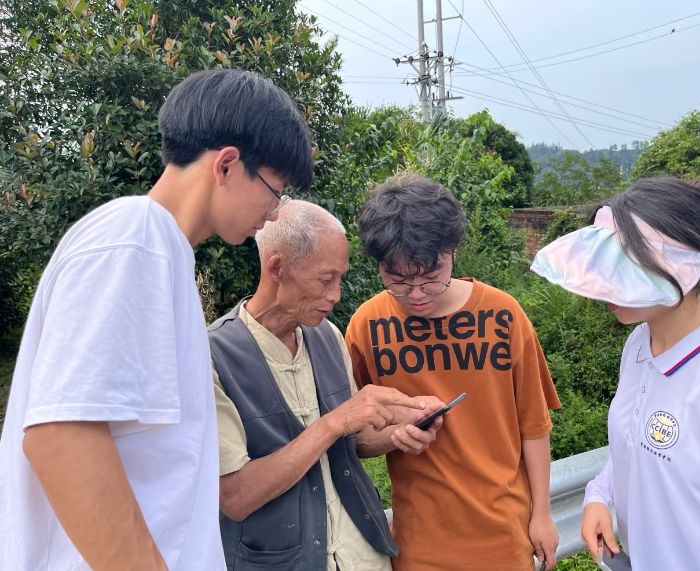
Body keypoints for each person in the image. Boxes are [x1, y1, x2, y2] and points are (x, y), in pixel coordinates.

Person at [0, 68, 314, 570]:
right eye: (275, 192)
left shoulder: (158, 249)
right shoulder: (134, 237)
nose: (275, 213)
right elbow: (61, 434)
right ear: (227, 165)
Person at [345, 174, 561, 571]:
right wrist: (394, 436)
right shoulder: (366, 325)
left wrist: (542, 515)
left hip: (504, 538)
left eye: (431, 278)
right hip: (418, 546)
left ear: (452, 252)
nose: (416, 294)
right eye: (399, 281)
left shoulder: (504, 315)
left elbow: (533, 425)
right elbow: (351, 439)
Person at [209, 199, 436, 571]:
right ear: (277, 267)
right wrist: (335, 421)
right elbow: (235, 498)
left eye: (340, 278)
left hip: (365, 558)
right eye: (326, 279)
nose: (336, 295)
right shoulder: (213, 356)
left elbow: (351, 442)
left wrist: (401, 430)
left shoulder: (328, 335)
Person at [531, 177, 700, 571]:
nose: (604, 283)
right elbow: (632, 444)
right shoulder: (638, 345)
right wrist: (599, 495)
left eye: (625, 264)